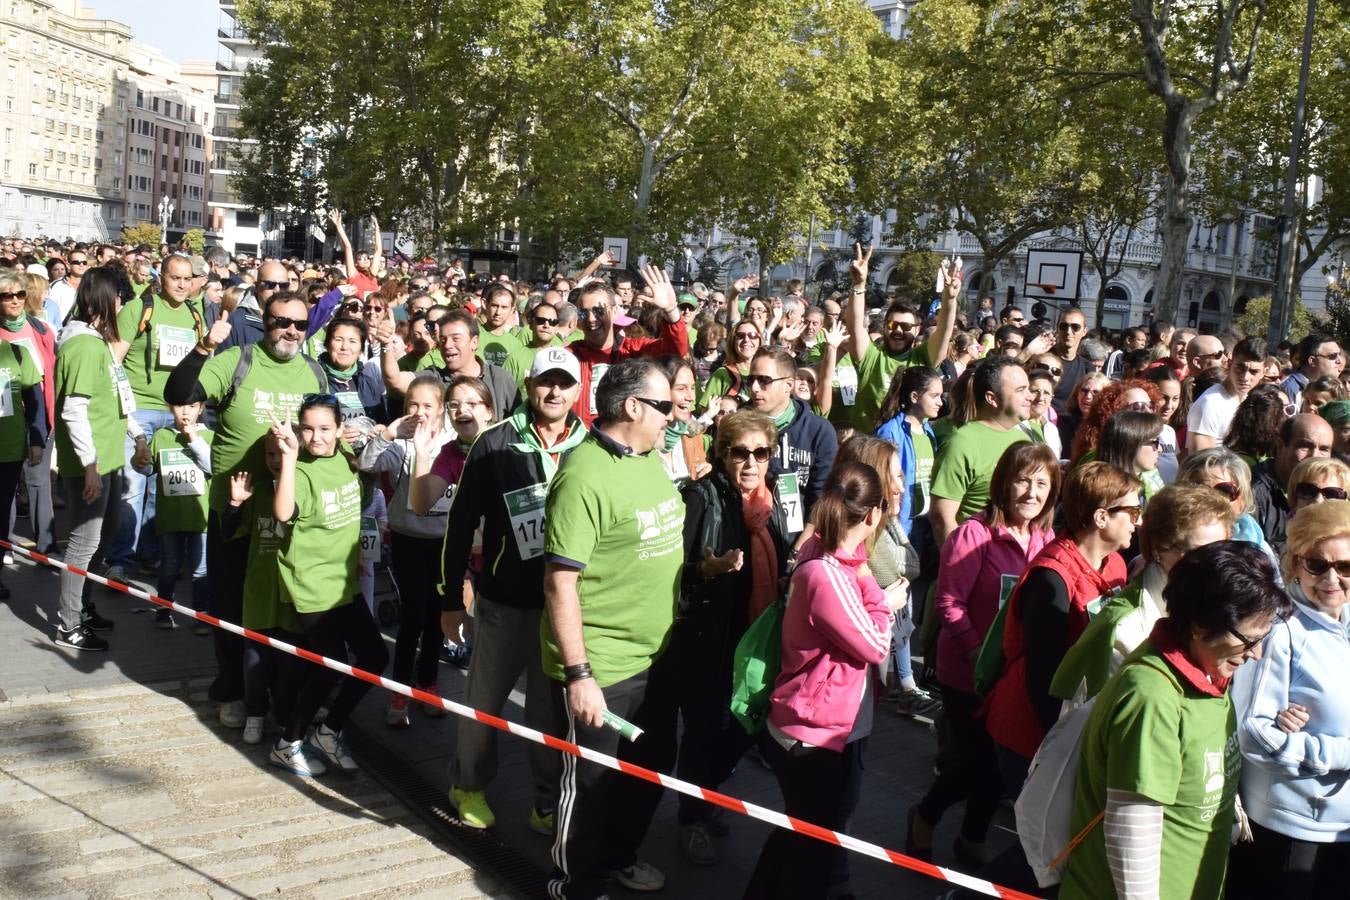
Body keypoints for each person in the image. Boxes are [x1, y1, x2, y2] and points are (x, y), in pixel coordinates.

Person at [1060, 542, 1289, 899]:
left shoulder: (1210, 670)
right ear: (1200, 625)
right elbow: (1132, 830)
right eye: (1249, 639)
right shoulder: (1152, 695)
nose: (1256, 653)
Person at [540, 356, 685, 897]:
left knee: (647, 771)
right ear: (632, 407)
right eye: (664, 406)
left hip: (657, 657)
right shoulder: (583, 477)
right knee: (592, 787)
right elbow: (560, 584)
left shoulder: (649, 456)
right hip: (604, 668)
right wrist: (579, 673)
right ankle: (573, 882)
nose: (673, 415)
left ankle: (620, 857)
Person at [164, 290, 329, 728]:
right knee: (231, 607)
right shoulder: (238, 360)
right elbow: (179, 392)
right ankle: (233, 687)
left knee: (283, 609)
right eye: (280, 322)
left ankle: (273, 689)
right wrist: (204, 348)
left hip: (289, 516)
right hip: (235, 511)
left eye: (299, 323)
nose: (290, 330)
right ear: (265, 323)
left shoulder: (314, 372)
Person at [438, 348, 585, 833]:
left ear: (578, 389)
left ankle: (545, 801)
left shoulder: (590, 446)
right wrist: (449, 597)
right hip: (503, 602)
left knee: (548, 713)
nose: (555, 392)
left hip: (561, 607)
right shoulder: (494, 443)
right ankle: (469, 784)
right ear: (528, 385)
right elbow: (460, 524)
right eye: (547, 382)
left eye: (565, 383)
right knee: (485, 702)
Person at [743, 461, 904, 900]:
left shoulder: (825, 553)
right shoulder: (828, 573)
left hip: (816, 726)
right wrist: (883, 598)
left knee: (798, 834)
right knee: (810, 856)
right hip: (809, 735)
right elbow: (874, 644)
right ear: (873, 515)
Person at [649, 409, 791, 866]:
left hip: (753, 638)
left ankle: (703, 800)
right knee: (703, 732)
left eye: (761, 453)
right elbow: (668, 573)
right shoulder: (701, 498)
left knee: (738, 731)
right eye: (740, 452)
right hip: (703, 640)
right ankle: (692, 817)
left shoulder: (771, 505)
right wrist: (704, 570)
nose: (751, 463)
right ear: (721, 453)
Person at [909, 441, 1059, 865]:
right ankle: (924, 816)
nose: (1031, 492)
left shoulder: (1045, 537)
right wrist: (978, 657)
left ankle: (972, 837)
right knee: (968, 764)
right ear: (1002, 484)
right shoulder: (973, 535)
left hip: (1013, 675)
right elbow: (948, 603)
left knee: (997, 765)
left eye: (1042, 483)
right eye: (1023, 481)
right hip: (968, 674)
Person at [984, 462, 1137, 785]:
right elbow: (1044, 677)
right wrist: (1063, 744)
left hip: (1079, 718)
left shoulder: (1117, 564)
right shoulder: (1051, 579)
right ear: (1101, 517)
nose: (1140, 520)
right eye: (1133, 511)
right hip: (1034, 729)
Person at [1228, 501, 1350, 898]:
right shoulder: (1280, 630)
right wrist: (1337, 754)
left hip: (1342, 831)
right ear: (1295, 563)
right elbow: (1252, 732)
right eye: (1317, 564)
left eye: (1345, 566)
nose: (1332, 578)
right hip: (1291, 832)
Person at [267, 395, 388, 777]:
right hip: (312, 586)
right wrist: (287, 459)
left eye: (324, 429)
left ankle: (328, 730)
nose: (315, 437)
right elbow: (283, 512)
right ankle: (287, 744)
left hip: (344, 584)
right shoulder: (299, 469)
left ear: (339, 429)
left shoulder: (345, 459)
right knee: (332, 666)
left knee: (374, 659)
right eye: (308, 429)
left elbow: (367, 487)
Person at [1052, 484, 1235, 703]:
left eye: (1222, 551)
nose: (1214, 565)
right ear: (1158, 549)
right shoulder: (1125, 628)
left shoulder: (1214, 603)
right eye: (1198, 553)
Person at [53, 268, 149, 651]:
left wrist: (138, 437)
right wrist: (90, 466)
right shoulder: (82, 346)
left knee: (102, 541)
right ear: (105, 301)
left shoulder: (100, 346)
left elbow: (120, 399)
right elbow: (74, 411)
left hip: (109, 462)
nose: (122, 304)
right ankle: (68, 622)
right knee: (82, 544)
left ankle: (85, 606)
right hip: (89, 467)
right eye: (119, 298)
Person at [357, 373, 457, 726]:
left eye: (428, 405)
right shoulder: (399, 442)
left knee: (436, 617)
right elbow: (366, 464)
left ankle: (427, 683)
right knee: (413, 614)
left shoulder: (454, 439)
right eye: (413, 404)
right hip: (408, 538)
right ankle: (400, 689)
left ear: (442, 408)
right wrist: (387, 434)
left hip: (444, 541)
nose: (420, 412)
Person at [106, 254, 205, 581]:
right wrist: (125, 412)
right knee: (133, 487)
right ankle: (121, 559)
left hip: (177, 413)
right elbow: (113, 362)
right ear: (161, 277)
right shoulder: (140, 308)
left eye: (187, 279)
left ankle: (149, 554)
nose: (181, 284)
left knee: (162, 491)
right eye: (175, 277)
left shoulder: (195, 313)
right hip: (139, 412)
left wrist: (192, 412)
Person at [843, 243, 959, 433]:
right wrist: (858, 284)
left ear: (917, 330)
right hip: (867, 444)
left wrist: (950, 299)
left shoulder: (923, 359)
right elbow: (855, 327)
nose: (897, 330)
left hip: (906, 444)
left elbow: (944, 331)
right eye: (891, 325)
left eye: (905, 326)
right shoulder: (872, 356)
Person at [566, 265, 688, 427]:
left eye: (599, 311)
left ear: (614, 312)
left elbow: (675, 350)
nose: (591, 318)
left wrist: (671, 310)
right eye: (583, 313)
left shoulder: (634, 351)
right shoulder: (570, 356)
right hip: (581, 442)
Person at [928, 356, 1031, 544]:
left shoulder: (1023, 441)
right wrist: (961, 565)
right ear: (992, 398)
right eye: (1020, 390)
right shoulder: (962, 443)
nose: (1030, 396)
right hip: (976, 559)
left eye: (1028, 389)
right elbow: (942, 517)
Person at [748, 348, 837, 542]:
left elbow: (821, 500)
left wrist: (800, 550)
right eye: (751, 380)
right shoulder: (740, 426)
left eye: (764, 380)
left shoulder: (820, 431)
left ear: (789, 384)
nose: (754, 388)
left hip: (800, 541)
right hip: (750, 540)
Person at [148, 388, 213, 630]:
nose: (185, 411)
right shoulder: (161, 436)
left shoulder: (210, 436)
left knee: (201, 569)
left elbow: (212, 466)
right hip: (170, 516)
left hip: (201, 517)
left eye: (192, 406)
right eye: (179, 405)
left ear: (201, 408)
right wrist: (140, 459)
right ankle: (164, 609)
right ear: (169, 408)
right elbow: (147, 470)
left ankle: (202, 615)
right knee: (170, 565)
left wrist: (193, 437)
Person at [0, 270, 53, 561]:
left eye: (20, 294)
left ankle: (44, 543)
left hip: (22, 432)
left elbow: (35, 395)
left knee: (31, 485)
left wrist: (38, 435)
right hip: (5, 434)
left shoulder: (33, 336)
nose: (15, 300)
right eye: (7, 295)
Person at [378, 307, 519, 415]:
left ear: (474, 342)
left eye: (455, 338)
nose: (447, 345)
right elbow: (395, 380)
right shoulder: (434, 379)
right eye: (443, 339)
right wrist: (386, 345)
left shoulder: (499, 378)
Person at [1246, 413, 1334, 556]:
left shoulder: (1336, 491)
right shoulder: (1253, 493)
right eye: (1305, 446)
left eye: (1324, 449)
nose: (1314, 457)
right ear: (1280, 446)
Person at [875, 365, 943, 537]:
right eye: (934, 396)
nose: (940, 402)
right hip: (900, 524)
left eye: (941, 396)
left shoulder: (928, 431)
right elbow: (882, 479)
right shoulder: (890, 432)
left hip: (925, 524)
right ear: (914, 397)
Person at [1186, 335, 1267, 453]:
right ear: (1230, 364)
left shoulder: (1248, 399)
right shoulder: (1210, 404)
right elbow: (1199, 463)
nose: (1245, 377)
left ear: (1263, 373)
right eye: (1240, 368)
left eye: (1253, 371)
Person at [653, 355, 710, 486]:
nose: (690, 397)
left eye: (692, 388)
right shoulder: (642, 443)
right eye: (681, 388)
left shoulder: (693, 435)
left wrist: (706, 479)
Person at [318, 316, 386, 425]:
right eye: (338, 340)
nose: (345, 347)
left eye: (352, 341)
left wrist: (380, 429)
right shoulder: (316, 378)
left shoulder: (369, 383)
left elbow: (382, 421)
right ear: (327, 344)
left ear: (361, 349)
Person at [1094, 410, 1165, 502]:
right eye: (1154, 442)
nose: (1160, 449)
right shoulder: (1102, 492)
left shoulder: (1151, 479)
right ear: (1131, 444)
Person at [698, 319, 760, 414]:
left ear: (759, 340)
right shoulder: (722, 374)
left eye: (752, 335)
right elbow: (704, 410)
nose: (746, 340)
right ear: (733, 341)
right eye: (740, 336)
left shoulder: (766, 373)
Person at [1226, 383, 1291, 467]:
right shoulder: (1242, 463)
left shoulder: (1278, 450)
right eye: (1283, 409)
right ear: (1264, 417)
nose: (1290, 415)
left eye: (1290, 408)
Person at [1278, 332, 1344, 410]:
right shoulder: (1290, 389)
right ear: (1312, 361)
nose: (1340, 361)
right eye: (1333, 356)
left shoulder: (1336, 387)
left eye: (1340, 355)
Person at [1144, 366, 1184, 482]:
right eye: (1163, 398)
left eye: (1175, 398)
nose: (1169, 406)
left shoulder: (1169, 432)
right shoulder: (1137, 432)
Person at [1057, 371, 1110, 458]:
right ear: (1077, 393)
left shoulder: (1109, 426)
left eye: (1095, 392)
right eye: (1084, 391)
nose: (1088, 396)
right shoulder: (1063, 423)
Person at [1285, 456, 1350, 516]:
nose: (1318, 500)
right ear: (1294, 496)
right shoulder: (1278, 526)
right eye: (1308, 490)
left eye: (1331, 493)